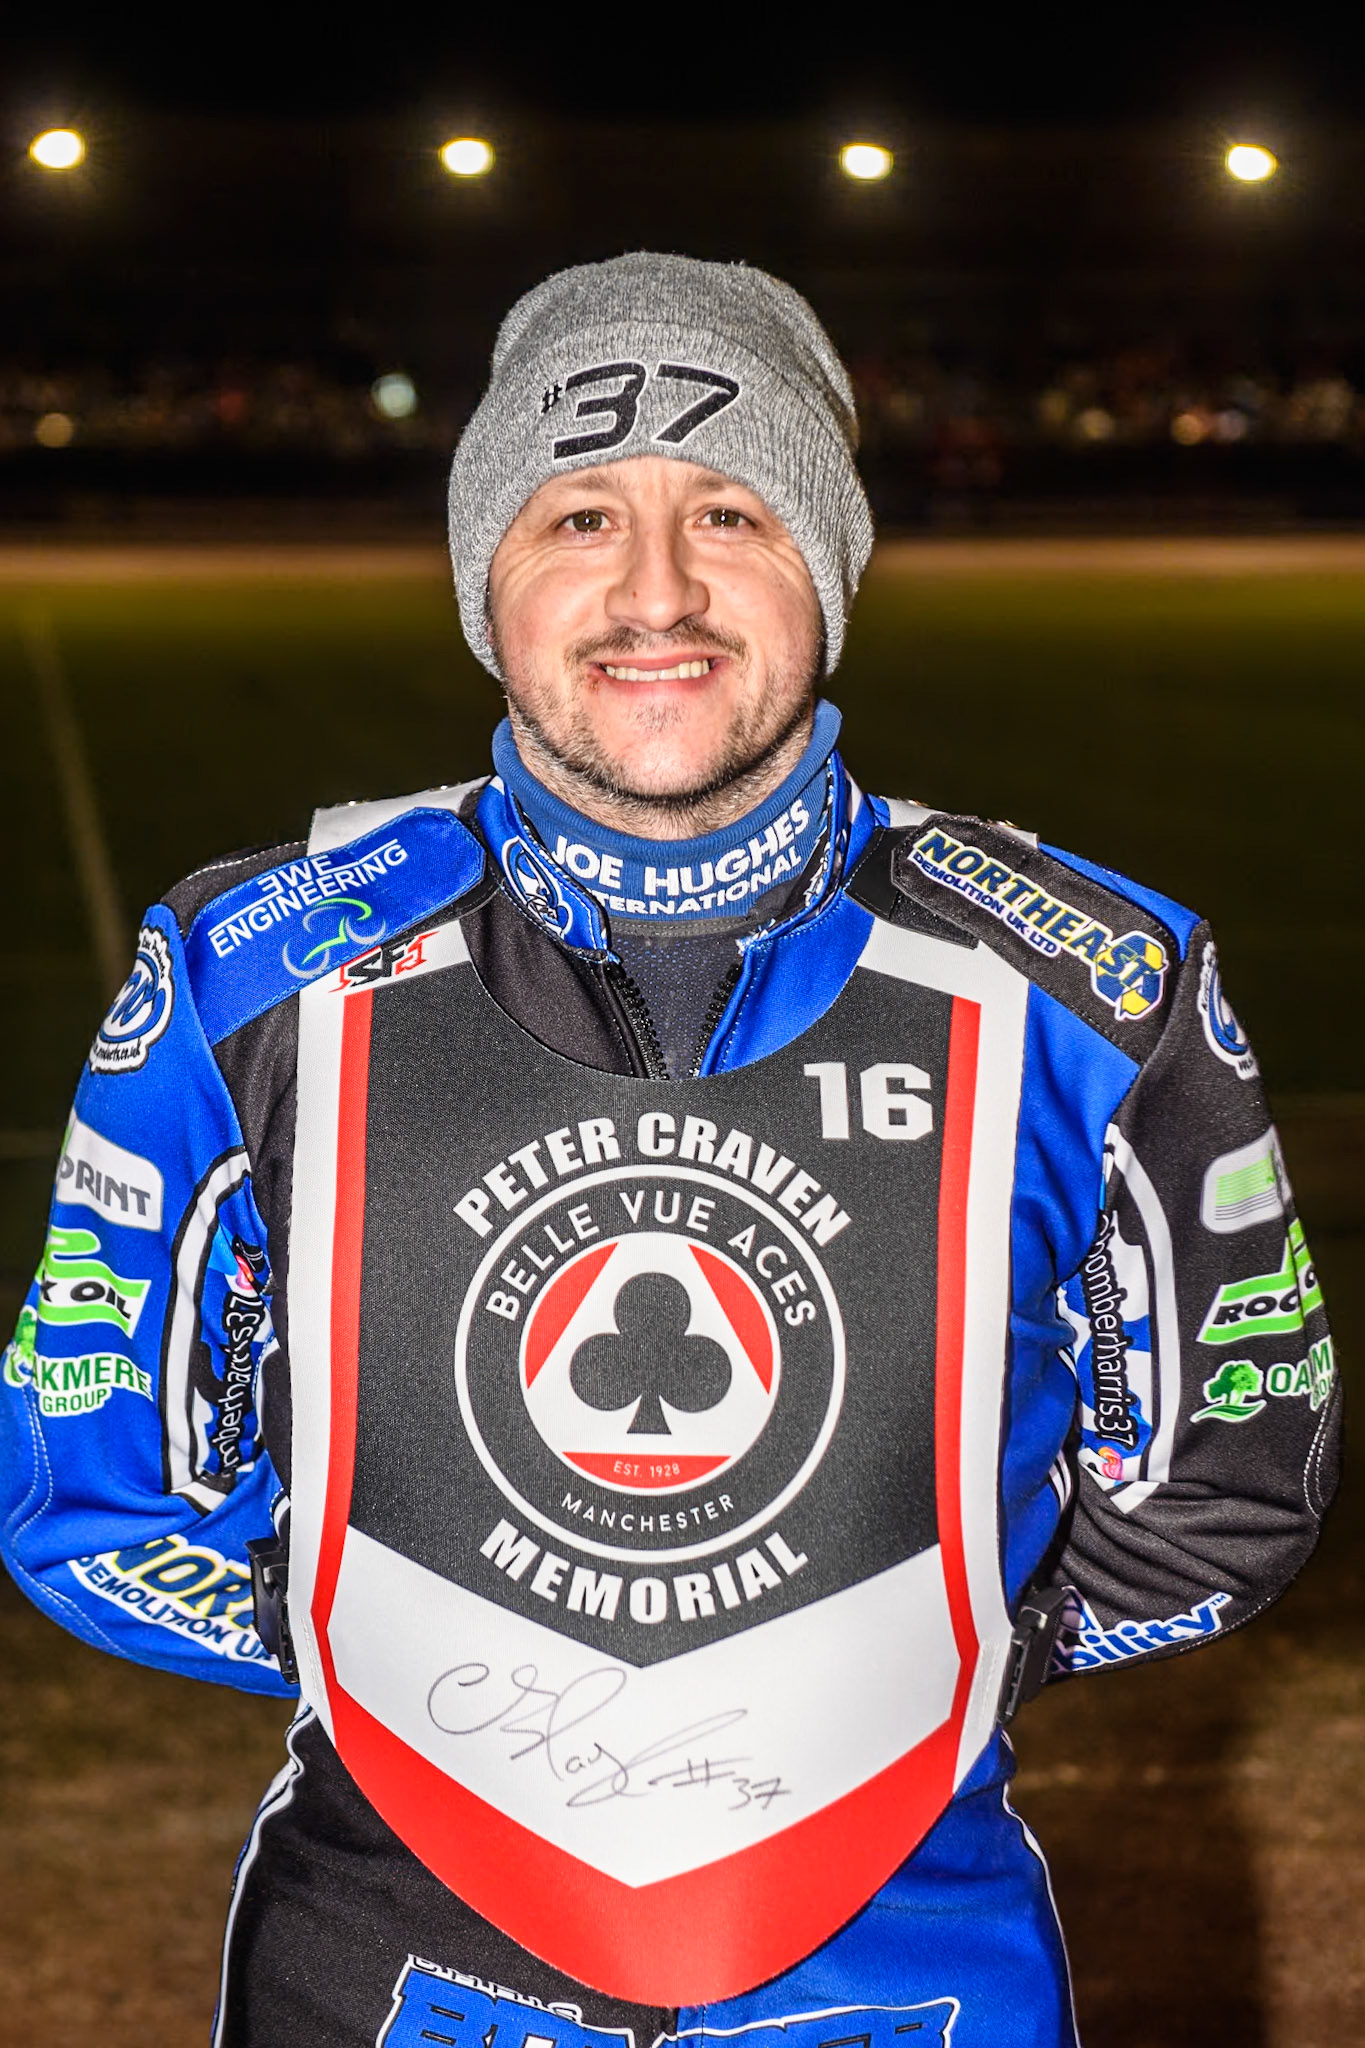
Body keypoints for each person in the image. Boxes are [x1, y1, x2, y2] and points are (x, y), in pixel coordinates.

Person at [0, 254, 1339, 2048]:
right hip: (379, 1964)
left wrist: (954, 1654)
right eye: (578, 518)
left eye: (729, 512)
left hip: (916, 1970)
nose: (654, 592)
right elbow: (88, 1491)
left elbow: (1230, 1485)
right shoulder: (251, 977)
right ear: (485, 579)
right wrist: (390, 1665)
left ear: (827, 569)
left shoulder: (1092, 989)